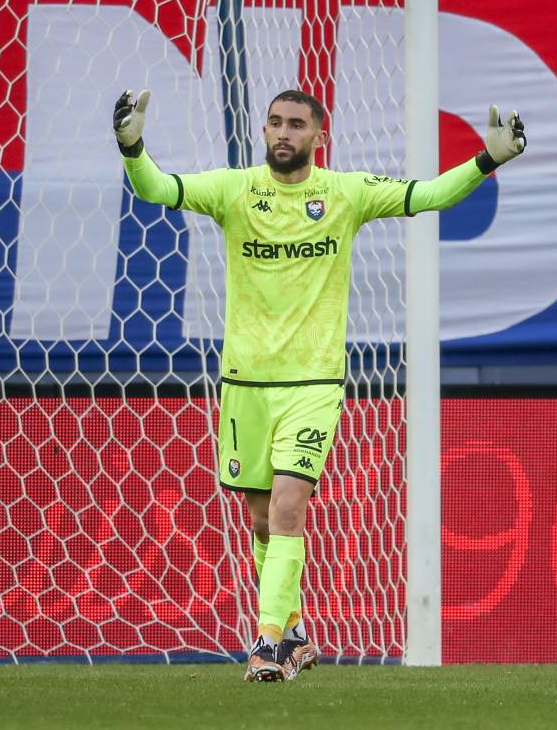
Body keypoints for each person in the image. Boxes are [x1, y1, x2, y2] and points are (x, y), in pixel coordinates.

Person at [112, 87, 526, 682]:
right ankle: (297, 633)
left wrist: (488, 158)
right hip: (246, 384)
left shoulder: (345, 194)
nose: (283, 132)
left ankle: (268, 645)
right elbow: (156, 188)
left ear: (318, 136)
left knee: (287, 508)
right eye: (275, 122)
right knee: (261, 521)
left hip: (314, 384)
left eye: (296, 124)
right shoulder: (234, 190)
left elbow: (430, 195)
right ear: (264, 130)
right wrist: (132, 147)